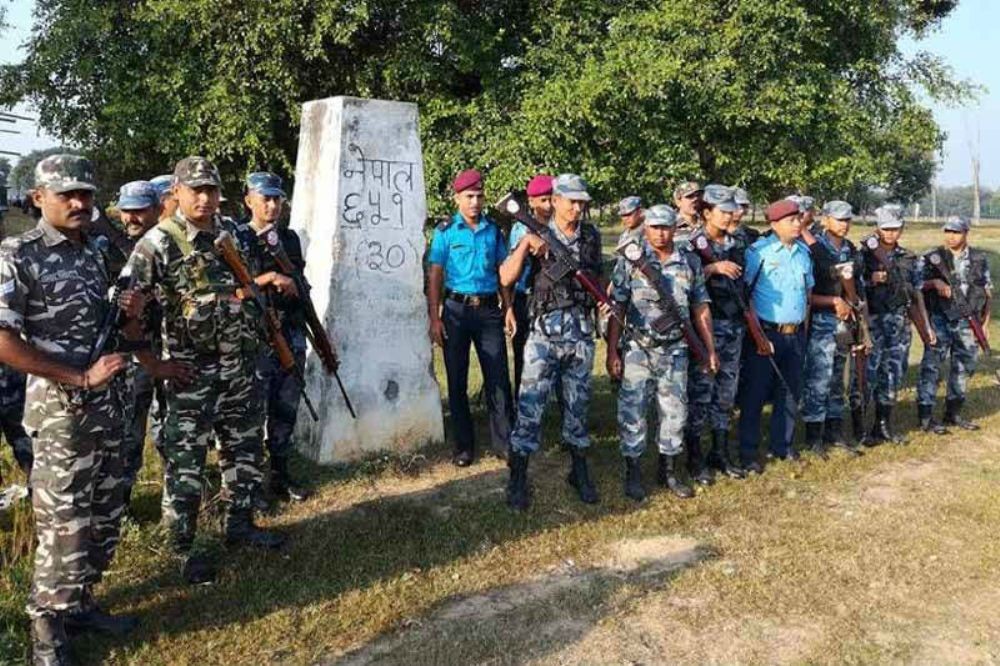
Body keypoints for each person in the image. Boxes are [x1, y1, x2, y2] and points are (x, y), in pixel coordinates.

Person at [0, 154, 142, 664]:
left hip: (109, 409)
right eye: (67, 195)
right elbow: (2, 340)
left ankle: (82, 603)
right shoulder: (20, 254)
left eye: (86, 193)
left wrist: (130, 317)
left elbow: (118, 329)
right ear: (40, 198)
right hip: (60, 417)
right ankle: (46, 630)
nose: (80, 203)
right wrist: (78, 376)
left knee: (105, 514)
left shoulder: (96, 251)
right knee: (63, 526)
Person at [127, 156, 293, 585]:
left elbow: (246, 288)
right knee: (186, 465)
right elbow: (130, 315)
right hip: (190, 375)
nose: (204, 198)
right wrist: (155, 364)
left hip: (238, 369)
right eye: (195, 190)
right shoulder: (156, 244)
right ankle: (182, 549)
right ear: (176, 193)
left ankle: (240, 525)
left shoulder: (229, 235)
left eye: (211, 190)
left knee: (243, 451)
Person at [502, 174, 606, 510]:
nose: (578, 208)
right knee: (530, 406)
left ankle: (579, 471)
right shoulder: (536, 233)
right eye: (571, 201)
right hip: (544, 336)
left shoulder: (590, 236)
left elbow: (598, 278)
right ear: (556, 200)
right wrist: (525, 245)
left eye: (582, 202)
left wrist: (604, 300)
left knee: (577, 407)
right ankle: (518, 477)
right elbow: (505, 277)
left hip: (580, 335)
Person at [607, 204, 718, 500]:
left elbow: (700, 307)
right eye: (654, 227)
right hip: (638, 349)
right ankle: (633, 471)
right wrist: (611, 353)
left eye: (666, 226)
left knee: (675, 412)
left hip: (676, 350)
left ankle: (667, 470)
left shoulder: (689, 261)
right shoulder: (630, 260)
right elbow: (617, 307)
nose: (660, 232)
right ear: (645, 227)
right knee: (633, 411)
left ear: (674, 227)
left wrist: (709, 349)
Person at [427, 169, 515, 466]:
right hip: (456, 311)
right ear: (457, 198)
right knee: (456, 379)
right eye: (469, 197)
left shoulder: (493, 231)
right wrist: (435, 318)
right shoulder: (445, 231)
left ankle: (504, 442)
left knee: (498, 377)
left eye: (479, 196)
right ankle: (463, 447)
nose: (475, 202)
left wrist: (509, 307)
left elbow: (503, 273)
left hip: (489, 311)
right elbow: (435, 275)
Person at [236, 171, 311, 503]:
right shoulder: (236, 238)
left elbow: (300, 282)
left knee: (286, 409)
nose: (272, 204)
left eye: (277, 198)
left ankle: (280, 476)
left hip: (290, 330)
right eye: (264, 198)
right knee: (252, 414)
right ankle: (248, 487)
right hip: (256, 336)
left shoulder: (289, 238)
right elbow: (232, 291)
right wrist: (267, 278)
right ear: (248, 201)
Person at [737, 199, 813, 472]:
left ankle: (783, 445)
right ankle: (748, 451)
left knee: (790, 392)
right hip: (766, 334)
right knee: (755, 393)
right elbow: (747, 298)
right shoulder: (758, 253)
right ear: (774, 224)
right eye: (791, 220)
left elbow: (807, 294)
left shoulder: (804, 253)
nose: (797, 224)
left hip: (795, 334)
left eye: (798, 219)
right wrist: (757, 335)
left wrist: (804, 328)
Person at [685, 185, 749, 484]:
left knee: (726, 392)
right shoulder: (691, 244)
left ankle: (720, 452)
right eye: (722, 211)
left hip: (734, 326)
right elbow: (685, 286)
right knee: (701, 391)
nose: (729, 216)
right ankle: (695, 458)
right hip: (705, 328)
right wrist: (712, 268)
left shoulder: (738, 243)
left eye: (731, 210)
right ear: (707, 212)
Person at [858, 205, 930, 445]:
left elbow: (917, 294)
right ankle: (860, 428)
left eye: (895, 229)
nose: (890, 234)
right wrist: (870, 280)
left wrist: (925, 326)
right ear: (878, 228)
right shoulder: (863, 254)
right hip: (873, 322)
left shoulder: (910, 258)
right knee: (867, 375)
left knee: (892, 373)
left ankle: (883, 425)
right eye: (886, 229)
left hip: (899, 324)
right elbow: (853, 289)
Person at [800, 201, 866, 458]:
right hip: (821, 322)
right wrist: (832, 302)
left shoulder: (851, 249)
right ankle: (813, 436)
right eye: (839, 219)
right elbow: (805, 294)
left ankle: (834, 431)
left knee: (838, 378)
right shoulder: (811, 248)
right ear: (825, 219)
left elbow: (858, 291)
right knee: (818, 378)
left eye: (848, 219)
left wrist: (861, 322)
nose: (844, 224)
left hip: (846, 324)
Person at [114, 181, 165, 510]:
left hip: (169, 350)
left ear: (157, 210)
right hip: (131, 357)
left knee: (170, 430)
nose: (133, 217)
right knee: (129, 434)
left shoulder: (164, 245)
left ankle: (180, 500)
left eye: (140, 210)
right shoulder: (108, 246)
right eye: (127, 210)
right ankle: (120, 505)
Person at [917, 215, 991, 432]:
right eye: (947, 232)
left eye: (956, 232)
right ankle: (926, 417)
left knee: (963, 367)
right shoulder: (932, 257)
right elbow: (916, 286)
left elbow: (987, 292)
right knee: (932, 367)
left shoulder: (979, 258)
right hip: (940, 318)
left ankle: (953, 413)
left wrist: (984, 323)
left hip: (968, 321)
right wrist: (934, 282)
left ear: (966, 233)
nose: (951, 236)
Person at [509, 174, 553, 399]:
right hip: (525, 297)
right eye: (543, 200)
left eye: (551, 199)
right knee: (524, 353)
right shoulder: (521, 228)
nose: (548, 205)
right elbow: (511, 268)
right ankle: (522, 400)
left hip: (553, 299)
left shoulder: (559, 226)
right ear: (532, 201)